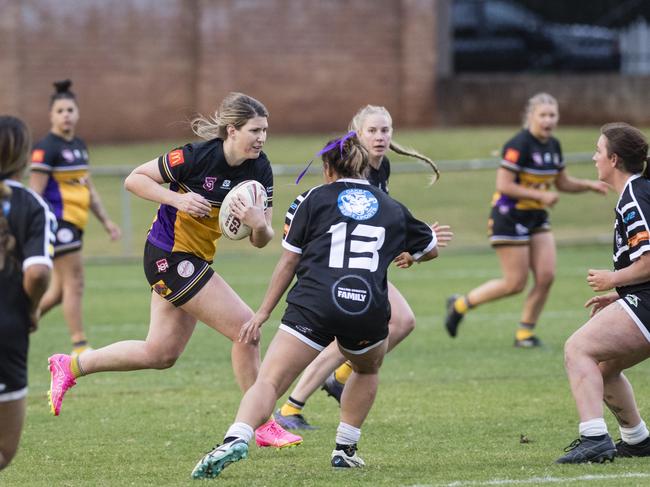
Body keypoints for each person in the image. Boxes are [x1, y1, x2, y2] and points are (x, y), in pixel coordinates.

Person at [46, 92, 301, 448]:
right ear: (231, 131)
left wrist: (258, 224)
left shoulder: (260, 168)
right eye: (255, 130)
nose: (262, 138)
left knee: (161, 353)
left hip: (195, 260)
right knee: (247, 330)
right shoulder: (196, 157)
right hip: (168, 256)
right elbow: (134, 179)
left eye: (265, 131)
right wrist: (176, 198)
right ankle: (262, 423)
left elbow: (262, 240)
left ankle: (70, 366)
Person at [190, 132, 440, 479]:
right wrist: (409, 253)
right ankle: (344, 449)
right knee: (366, 369)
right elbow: (430, 249)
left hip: (314, 303)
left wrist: (262, 312)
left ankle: (236, 436)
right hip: (365, 306)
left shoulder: (310, 199)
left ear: (327, 168)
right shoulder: (392, 207)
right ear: (364, 164)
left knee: (269, 381)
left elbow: (288, 262)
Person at [274, 105, 452, 430]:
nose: (380, 137)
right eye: (372, 131)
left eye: (385, 130)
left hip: (361, 267)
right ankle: (293, 405)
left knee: (400, 322)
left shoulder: (380, 169)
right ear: (357, 133)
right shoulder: (353, 167)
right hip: (337, 269)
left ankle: (336, 381)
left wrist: (409, 251)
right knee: (359, 332)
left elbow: (377, 224)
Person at [444, 93, 608, 347]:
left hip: (536, 216)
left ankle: (525, 334)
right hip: (509, 215)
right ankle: (459, 305)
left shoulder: (553, 145)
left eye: (552, 115)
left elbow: (562, 182)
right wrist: (539, 196)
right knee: (515, 283)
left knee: (546, 275)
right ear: (530, 116)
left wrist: (588, 184)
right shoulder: (518, 144)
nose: (548, 120)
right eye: (542, 115)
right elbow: (504, 185)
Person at [556, 123, 650, 463]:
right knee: (604, 366)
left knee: (577, 349)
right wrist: (622, 291)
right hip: (642, 297)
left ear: (613, 159)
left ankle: (594, 437)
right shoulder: (638, 192)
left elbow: (649, 260)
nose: (594, 157)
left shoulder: (633, 198)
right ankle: (637, 440)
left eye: (598, 151)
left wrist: (613, 279)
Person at [29, 80, 121, 356]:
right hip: (59, 224)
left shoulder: (79, 146)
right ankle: (80, 344)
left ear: (77, 113)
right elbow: (35, 193)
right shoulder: (46, 148)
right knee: (75, 283)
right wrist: (38, 228)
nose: (66, 114)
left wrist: (106, 222)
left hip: (76, 224)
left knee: (58, 292)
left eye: (70, 109)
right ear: (51, 116)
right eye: (60, 111)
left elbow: (88, 189)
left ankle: (18, 323)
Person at [0, 115, 54, 470]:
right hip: (7, 331)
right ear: (22, 158)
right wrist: (33, 309)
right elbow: (36, 272)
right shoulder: (32, 206)